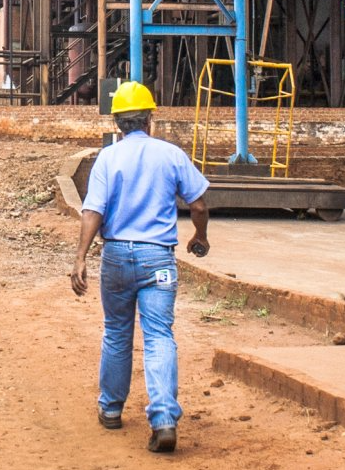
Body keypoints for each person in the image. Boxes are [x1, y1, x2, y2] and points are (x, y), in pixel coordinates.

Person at [68, 80, 211, 454]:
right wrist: (200, 237)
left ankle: (111, 409)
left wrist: (81, 257)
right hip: (158, 259)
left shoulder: (108, 159)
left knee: (117, 332)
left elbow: (93, 211)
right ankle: (163, 419)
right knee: (159, 335)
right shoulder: (171, 155)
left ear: (117, 124)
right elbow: (198, 205)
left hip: (116, 257)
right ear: (150, 119)